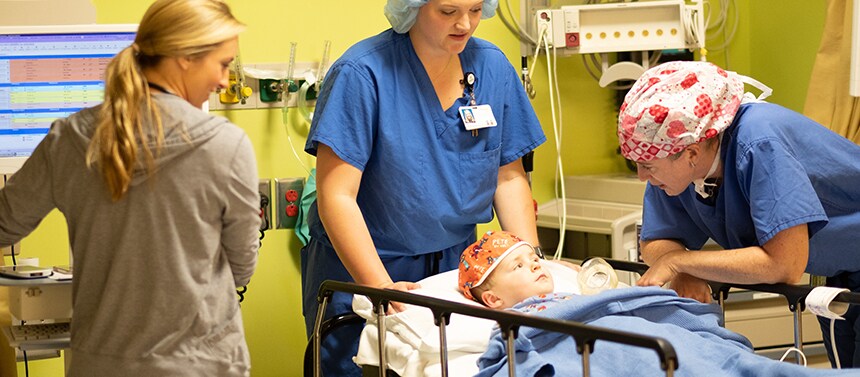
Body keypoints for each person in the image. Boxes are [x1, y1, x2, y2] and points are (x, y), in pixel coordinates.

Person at [0, 0, 260, 375]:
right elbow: (242, 265)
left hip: (99, 364)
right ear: (185, 57)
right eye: (222, 64)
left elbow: (6, 223)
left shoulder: (68, 139)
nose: (224, 81)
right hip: (199, 364)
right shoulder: (226, 145)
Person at [301, 0, 546, 374]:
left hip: (455, 268)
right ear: (412, 6)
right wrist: (380, 287)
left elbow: (507, 176)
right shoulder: (363, 73)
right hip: (366, 265)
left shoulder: (493, 67)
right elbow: (337, 196)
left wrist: (529, 261)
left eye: (476, 9)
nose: (465, 23)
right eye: (448, 11)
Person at [617, 60, 860, 368]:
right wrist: (682, 270)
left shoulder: (758, 142)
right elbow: (656, 242)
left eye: (647, 166)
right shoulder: (676, 163)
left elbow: (785, 264)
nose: (641, 177)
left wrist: (681, 261)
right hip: (839, 276)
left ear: (691, 153)